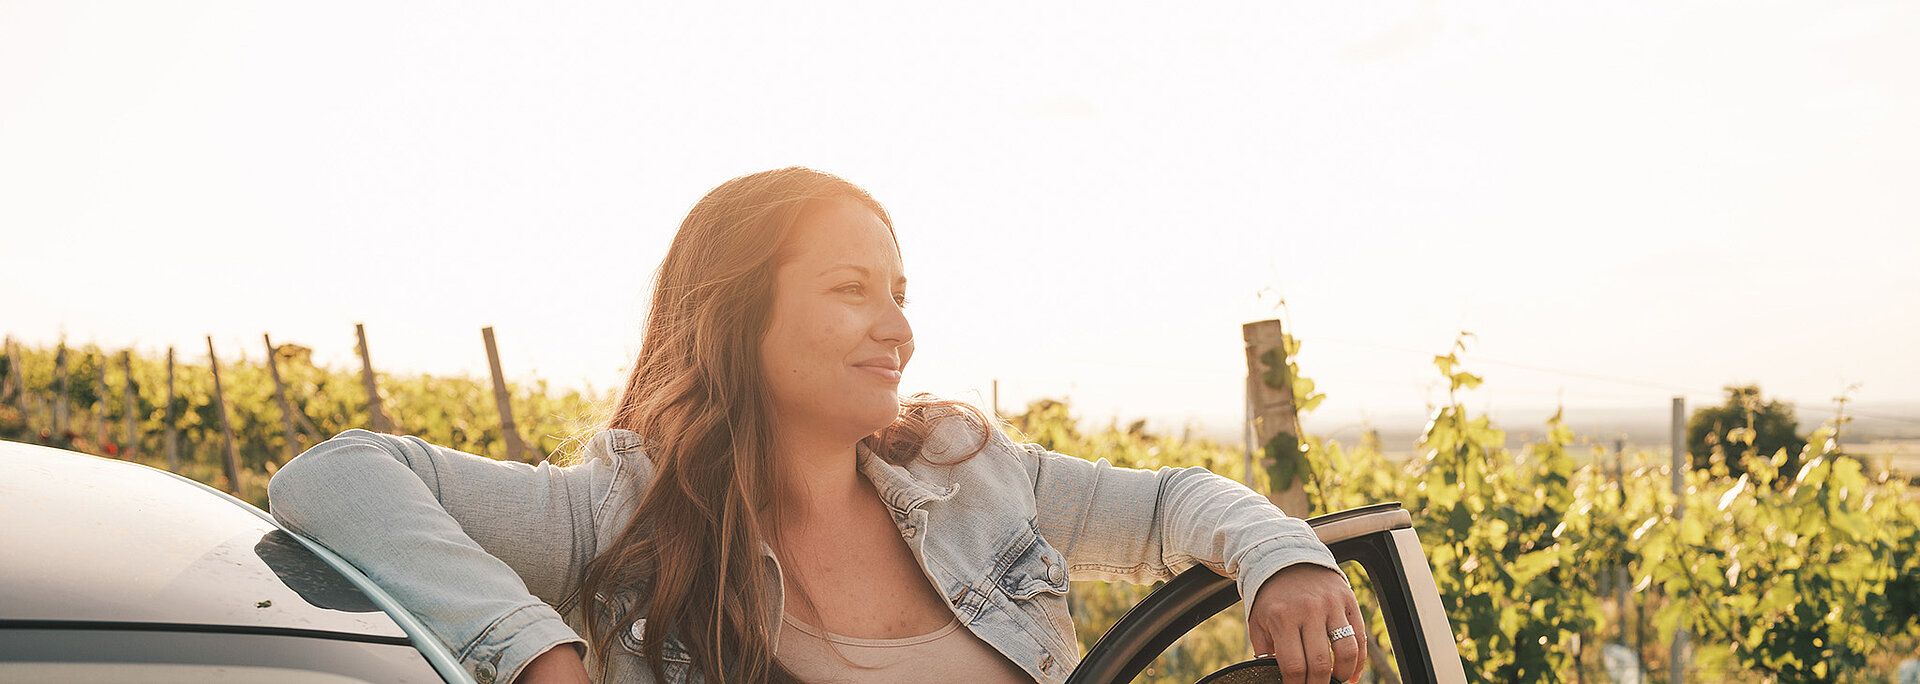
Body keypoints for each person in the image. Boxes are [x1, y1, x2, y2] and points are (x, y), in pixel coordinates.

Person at [266, 167, 1367, 684]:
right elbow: (336, 476)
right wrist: (540, 661)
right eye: (852, 290)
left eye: (899, 289)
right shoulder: (616, 515)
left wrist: (1279, 557)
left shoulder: (975, 475)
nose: (898, 327)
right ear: (738, 313)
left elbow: (1177, 501)